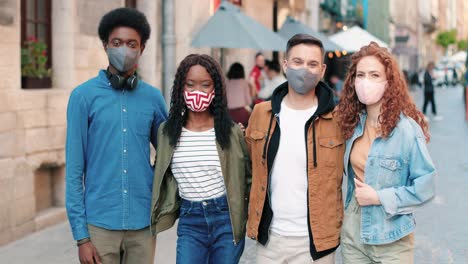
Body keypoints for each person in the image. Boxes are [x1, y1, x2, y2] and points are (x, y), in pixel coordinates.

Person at [65, 8, 168, 264]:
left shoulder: (153, 97)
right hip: (99, 226)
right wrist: (82, 237)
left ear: (142, 48)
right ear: (105, 45)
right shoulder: (82, 97)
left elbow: (169, 153)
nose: (124, 49)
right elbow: (74, 172)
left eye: (132, 44)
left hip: (143, 225)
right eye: (117, 43)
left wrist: (152, 185)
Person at [246, 34, 344, 263]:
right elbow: (248, 168)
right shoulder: (261, 114)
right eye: (298, 62)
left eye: (312, 64)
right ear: (285, 65)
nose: (304, 70)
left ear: (322, 70)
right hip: (270, 241)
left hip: (316, 243)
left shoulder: (338, 120)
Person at [336, 42, 436, 263]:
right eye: (360, 75)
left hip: (392, 238)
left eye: (374, 75)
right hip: (354, 232)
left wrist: (379, 197)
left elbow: (426, 186)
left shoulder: (407, 130)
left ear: (388, 82)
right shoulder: (351, 125)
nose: (365, 82)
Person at [150, 54, 251, 263]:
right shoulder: (167, 132)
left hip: (226, 219)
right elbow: (162, 173)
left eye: (205, 85)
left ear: (216, 90)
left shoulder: (231, 132)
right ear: (180, 88)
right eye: (190, 84)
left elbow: (247, 177)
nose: (198, 92)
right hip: (190, 220)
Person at [226, 62, 252, 126]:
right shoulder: (244, 82)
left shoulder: (226, 83)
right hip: (242, 115)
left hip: (228, 115)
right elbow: (249, 101)